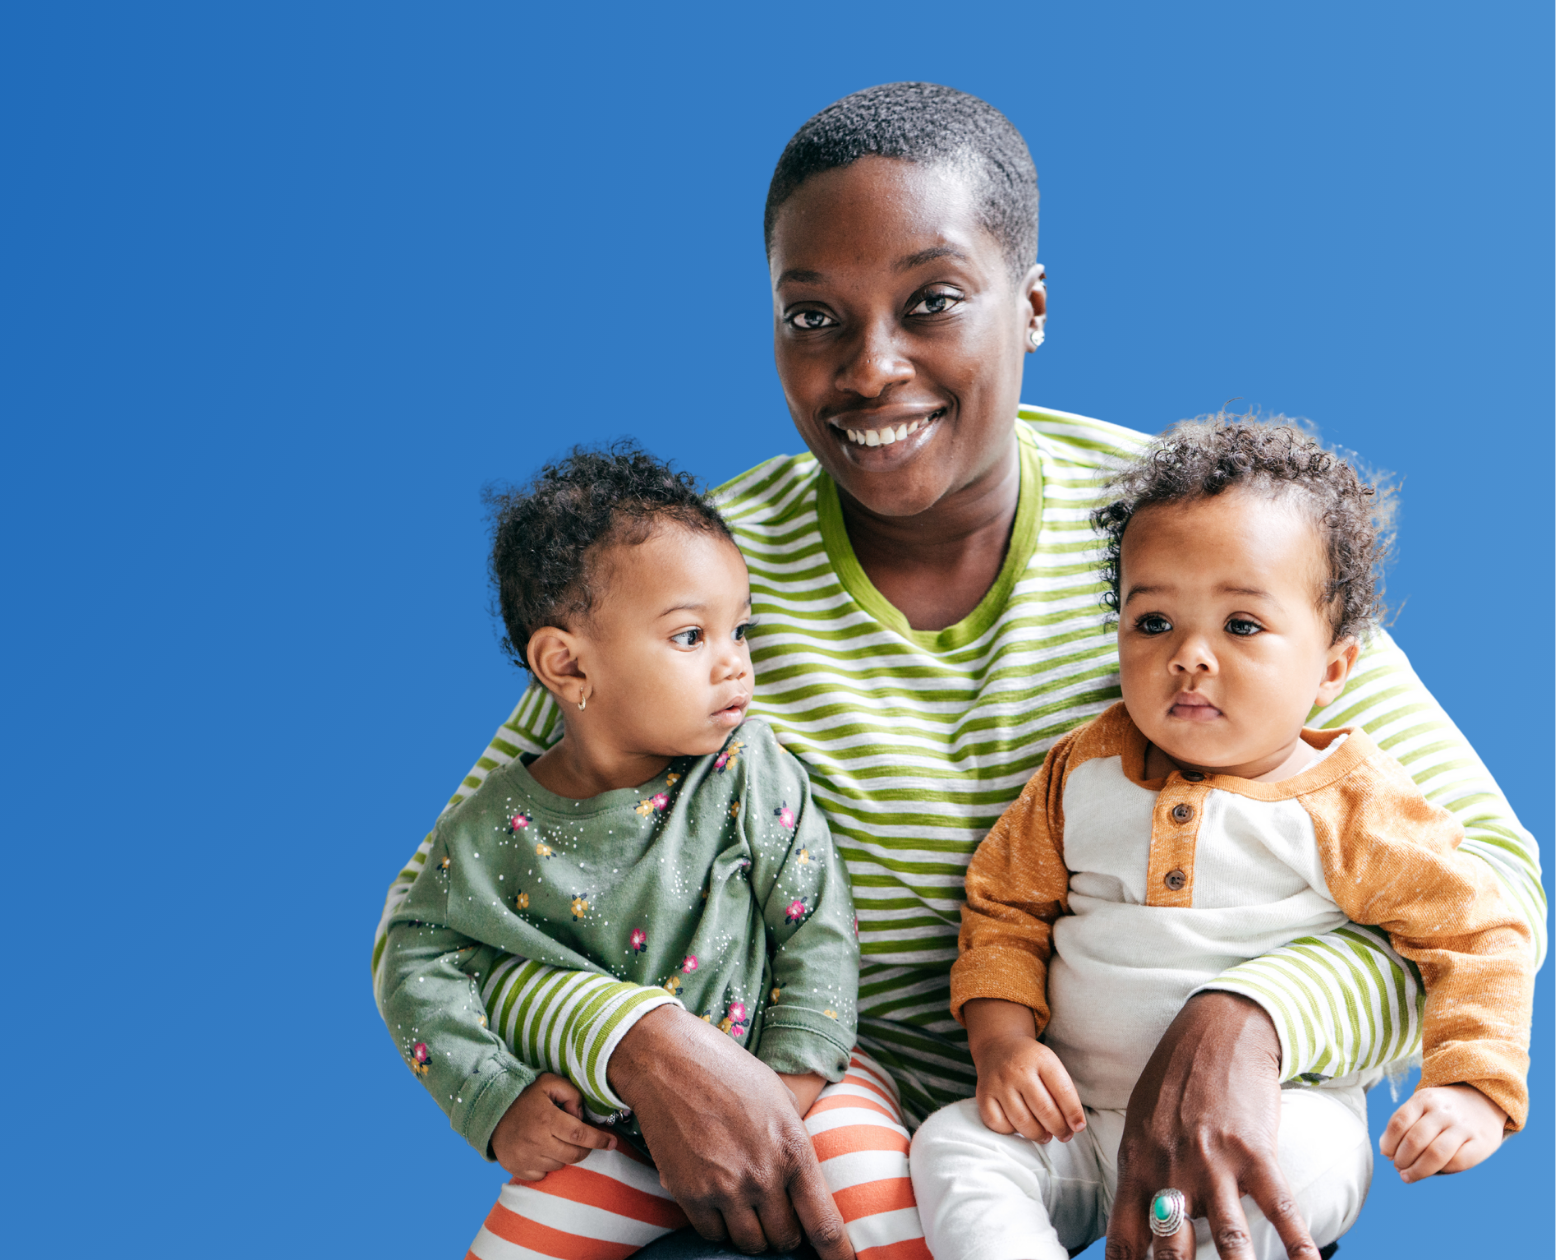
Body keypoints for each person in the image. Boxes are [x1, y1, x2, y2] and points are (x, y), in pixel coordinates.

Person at [368, 82, 1546, 1260]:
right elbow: (443, 915)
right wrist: (630, 1037)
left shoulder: (1192, 551)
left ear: (1028, 306)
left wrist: (1256, 1017)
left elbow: (1489, 882)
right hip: (800, 1183)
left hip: (1164, 1176)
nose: (869, 367)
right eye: (811, 315)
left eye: (931, 301)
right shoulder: (688, 591)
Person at [910, 417, 1533, 1260]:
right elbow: (1002, 909)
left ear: (1334, 671)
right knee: (953, 1148)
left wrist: (1473, 1088)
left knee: (1290, 1181)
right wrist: (1003, 1043)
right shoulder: (1081, 771)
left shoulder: (1354, 803)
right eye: (1153, 621)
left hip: (1273, 1118)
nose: (1190, 656)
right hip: (1080, 1124)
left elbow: (1478, 929)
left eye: (1242, 627)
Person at [378, 443, 888, 1258]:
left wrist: (787, 1087)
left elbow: (819, 931)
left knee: (881, 1208)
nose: (737, 664)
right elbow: (415, 959)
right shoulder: (490, 832)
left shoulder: (750, 770)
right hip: (611, 1131)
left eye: (740, 629)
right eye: (692, 635)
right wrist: (493, 1098)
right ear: (568, 665)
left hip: (805, 1085)